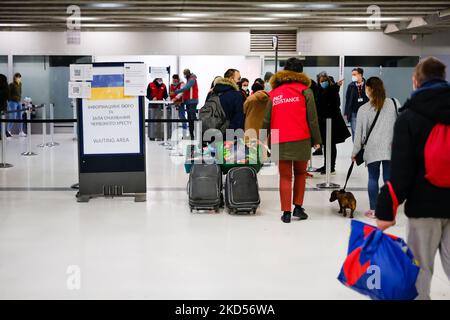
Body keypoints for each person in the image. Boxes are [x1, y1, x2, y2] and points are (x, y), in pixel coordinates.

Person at [375, 57, 450, 300]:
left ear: (416, 81)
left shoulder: (409, 116)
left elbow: (401, 171)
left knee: (420, 270)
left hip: (423, 206)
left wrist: (386, 211)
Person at [262, 57, 321, 223]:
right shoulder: (305, 91)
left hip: (279, 138)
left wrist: (261, 138)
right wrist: (317, 139)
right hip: (301, 138)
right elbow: (312, 119)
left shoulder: (274, 93)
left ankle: (286, 213)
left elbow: (266, 119)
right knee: (301, 173)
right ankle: (298, 208)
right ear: (301, 72)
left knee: (285, 176)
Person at [351, 77, 400, 219]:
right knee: (388, 180)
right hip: (390, 148)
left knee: (373, 178)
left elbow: (359, 134)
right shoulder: (394, 103)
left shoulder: (363, 109)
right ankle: (389, 210)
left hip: (371, 149)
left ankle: (373, 209)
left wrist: (355, 152)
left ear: (369, 89)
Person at [315, 72, 350, 174]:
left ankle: (331, 166)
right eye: (321, 81)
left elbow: (332, 101)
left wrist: (335, 87)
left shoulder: (332, 91)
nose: (324, 83)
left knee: (331, 145)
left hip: (332, 122)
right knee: (326, 145)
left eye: (325, 81)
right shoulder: (320, 91)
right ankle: (327, 165)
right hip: (323, 122)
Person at [344, 67, 369, 140]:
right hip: (354, 113)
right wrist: (346, 113)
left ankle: (363, 149)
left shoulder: (367, 85)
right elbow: (348, 100)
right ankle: (356, 149)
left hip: (365, 113)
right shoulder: (351, 86)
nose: (353, 76)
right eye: (352, 75)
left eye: (354, 74)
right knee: (355, 132)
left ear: (360, 75)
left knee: (365, 131)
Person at [175, 69, 199, 140]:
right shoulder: (189, 79)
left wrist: (176, 91)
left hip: (192, 101)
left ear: (187, 73)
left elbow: (186, 88)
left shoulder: (192, 79)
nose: (184, 75)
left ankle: (195, 135)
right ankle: (191, 135)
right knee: (190, 118)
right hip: (189, 102)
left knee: (192, 118)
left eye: (184, 74)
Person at [7, 72, 25, 137]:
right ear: (14, 78)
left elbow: (20, 92)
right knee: (13, 117)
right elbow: (7, 93)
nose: (18, 78)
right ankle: (8, 131)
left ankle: (21, 131)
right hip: (12, 102)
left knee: (20, 117)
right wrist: (9, 101)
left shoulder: (20, 84)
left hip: (19, 102)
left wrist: (21, 100)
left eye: (19, 77)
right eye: (17, 77)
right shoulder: (11, 85)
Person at [0, 74, 8, 140]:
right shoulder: (6, 86)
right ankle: (2, 134)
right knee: (2, 121)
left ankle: (2, 134)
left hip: (2, 106)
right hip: (3, 106)